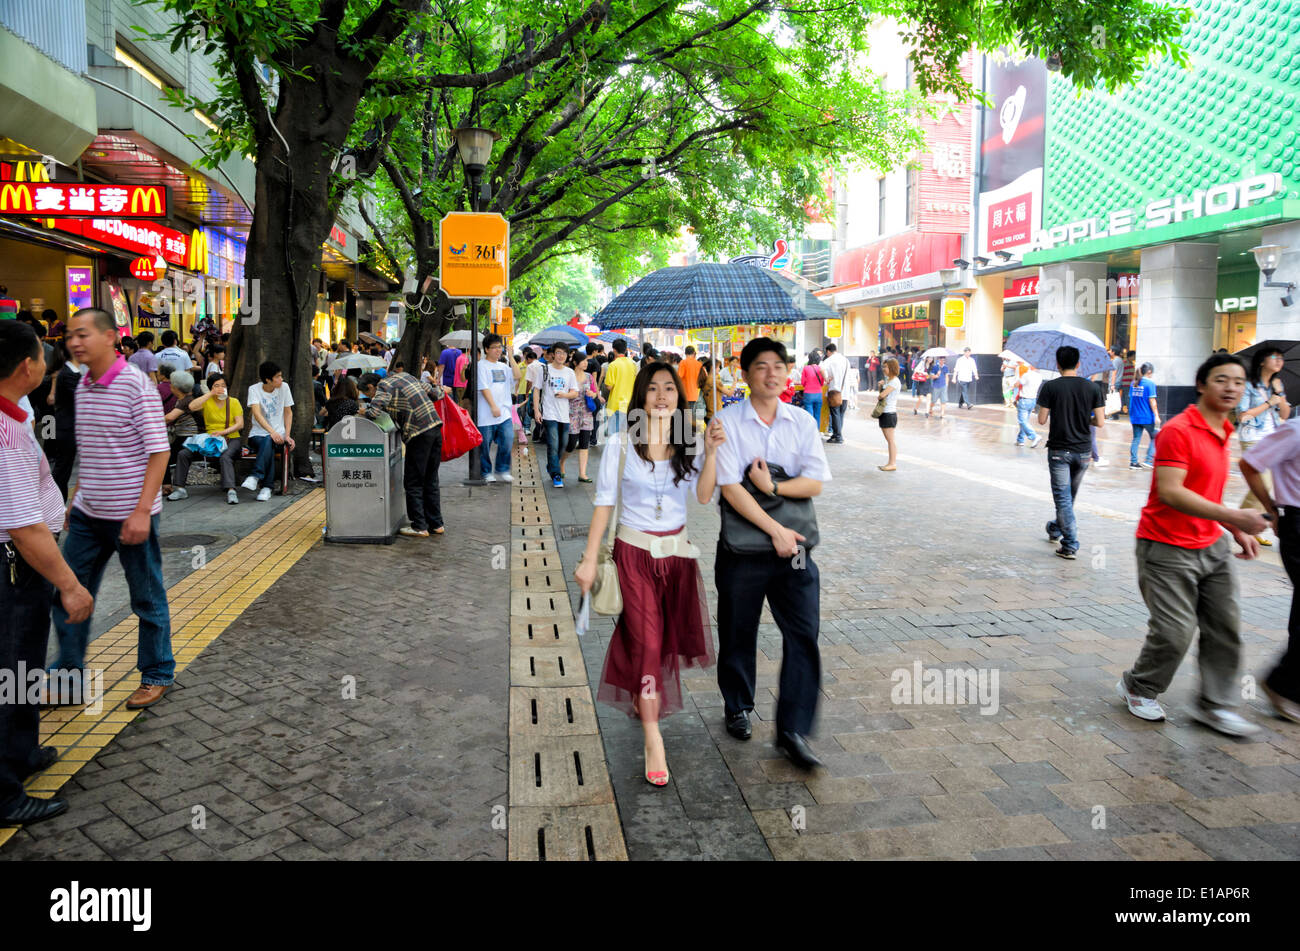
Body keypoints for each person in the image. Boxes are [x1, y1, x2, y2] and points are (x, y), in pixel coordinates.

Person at [574, 362, 718, 786]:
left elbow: (705, 496)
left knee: (662, 644)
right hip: (633, 556)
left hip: (677, 557)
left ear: (679, 396)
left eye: (669, 389)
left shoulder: (688, 441)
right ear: (640, 396)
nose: (661, 396)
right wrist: (587, 559)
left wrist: (713, 452)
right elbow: (603, 503)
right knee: (649, 641)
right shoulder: (620, 443)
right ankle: (653, 737)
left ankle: (644, 695)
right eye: (652, 389)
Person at [1117, 353, 1268, 737]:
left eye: (1237, 381)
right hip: (1165, 546)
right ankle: (1139, 685)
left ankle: (1216, 706)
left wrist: (1233, 529)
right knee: (1175, 630)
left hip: (1211, 545)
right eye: (1221, 379)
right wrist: (1236, 518)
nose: (1231, 387)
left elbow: (1206, 491)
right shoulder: (1179, 430)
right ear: (1202, 385)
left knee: (1225, 626)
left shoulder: (1225, 430)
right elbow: (1170, 492)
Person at [712, 337, 831, 771]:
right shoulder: (726, 421)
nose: (772, 373)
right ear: (744, 375)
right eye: (761, 366)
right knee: (738, 629)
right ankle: (738, 705)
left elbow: (814, 482)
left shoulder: (800, 421)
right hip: (743, 549)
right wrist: (776, 527)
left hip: (795, 552)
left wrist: (772, 488)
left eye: (778, 365)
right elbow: (728, 488)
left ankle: (792, 729)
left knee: (803, 633)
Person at [49, 308, 175, 711]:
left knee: (146, 596)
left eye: (82, 334)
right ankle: (68, 676)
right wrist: (75, 496)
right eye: (70, 335)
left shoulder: (136, 386)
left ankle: (157, 672)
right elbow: (91, 448)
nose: (74, 342)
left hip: (130, 515)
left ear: (108, 337)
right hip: (88, 514)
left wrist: (141, 512)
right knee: (67, 591)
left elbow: (159, 451)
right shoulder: (83, 384)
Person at [0, 320, 94, 826]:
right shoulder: (4, 430)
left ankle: (21, 753)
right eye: (43, 354)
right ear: (25, 367)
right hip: (14, 566)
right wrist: (70, 584)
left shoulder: (16, 412)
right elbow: (23, 527)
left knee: (24, 664)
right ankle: (3, 792)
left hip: (21, 565)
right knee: (8, 668)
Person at [1240, 411, 1300, 723]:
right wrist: (1271, 508)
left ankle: (1289, 685)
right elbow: (1249, 463)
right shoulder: (1294, 430)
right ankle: (1280, 683)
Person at [1035, 346, 1105, 559]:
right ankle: (1055, 528)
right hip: (1083, 452)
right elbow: (1100, 422)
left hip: (1059, 451)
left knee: (1063, 498)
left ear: (1057, 364)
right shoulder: (1092, 388)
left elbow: (1041, 419)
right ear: (1078, 364)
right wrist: (1085, 419)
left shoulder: (1050, 387)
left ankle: (1070, 544)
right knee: (1068, 497)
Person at [360, 368, 446, 537]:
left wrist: (364, 411)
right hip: (435, 428)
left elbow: (374, 412)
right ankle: (436, 524)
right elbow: (436, 394)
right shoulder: (407, 376)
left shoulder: (383, 386)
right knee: (430, 479)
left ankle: (419, 526)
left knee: (413, 482)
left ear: (371, 387)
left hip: (418, 433)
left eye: (367, 394)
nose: (370, 397)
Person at [1237, 347, 1290, 546]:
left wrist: (1280, 394)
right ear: (1261, 361)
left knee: (1269, 482)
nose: (1279, 361)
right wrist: (1269, 402)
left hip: (1272, 438)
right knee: (1264, 482)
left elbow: (1284, 415)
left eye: (1282, 358)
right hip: (1252, 437)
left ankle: (1248, 522)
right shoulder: (1248, 385)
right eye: (1275, 357)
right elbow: (1243, 416)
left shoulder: (1277, 385)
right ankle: (1243, 521)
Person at [172, 373, 245, 503]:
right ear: (211, 388)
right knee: (184, 453)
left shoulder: (233, 402)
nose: (221, 388)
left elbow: (240, 424)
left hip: (231, 438)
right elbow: (192, 406)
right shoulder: (207, 401)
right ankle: (180, 489)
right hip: (209, 440)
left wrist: (223, 432)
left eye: (223, 385)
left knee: (225, 456)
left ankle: (231, 490)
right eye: (217, 385)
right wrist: (211, 394)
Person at [241, 361, 295, 501]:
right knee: (267, 441)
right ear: (267, 379)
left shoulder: (284, 388)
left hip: (279, 437)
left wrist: (287, 435)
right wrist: (272, 432)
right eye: (277, 377)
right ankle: (266, 487)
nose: (281, 379)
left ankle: (255, 476)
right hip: (257, 435)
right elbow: (257, 414)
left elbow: (288, 413)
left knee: (269, 441)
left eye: (281, 376)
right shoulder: (254, 389)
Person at [534, 342, 579, 488]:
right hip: (549, 413)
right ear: (553, 354)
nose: (561, 356)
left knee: (563, 444)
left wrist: (565, 394)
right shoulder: (545, 369)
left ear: (567, 356)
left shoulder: (569, 372)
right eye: (558, 352)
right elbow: (536, 390)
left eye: (564, 353)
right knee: (553, 444)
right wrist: (536, 410)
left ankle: (551, 466)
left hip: (564, 414)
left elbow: (575, 392)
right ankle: (556, 474)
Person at [475, 333, 515, 483]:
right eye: (494, 347)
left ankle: (502, 469)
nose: (498, 350)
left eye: (500, 347)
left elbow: (517, 375)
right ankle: (486, 472)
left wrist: (511, 357)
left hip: (504, 412)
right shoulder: (480, 366)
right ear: (486, 349)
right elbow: (484, 387)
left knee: (508, 439)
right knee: (485, 444)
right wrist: (493, 406)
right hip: (486, 413)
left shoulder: (503, 366)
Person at [46, 340, 83, 499]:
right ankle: (54, 500)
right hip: (66, 428)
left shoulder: (71, 372)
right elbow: (81, 397)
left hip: (66, 425)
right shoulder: (68, 374)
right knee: (63, 468)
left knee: (64, 467)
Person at [560, 349, 599, 483]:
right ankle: (561, 463)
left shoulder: (589, 376)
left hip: (586, 413)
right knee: (571, 443)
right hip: (572, 413)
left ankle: (582, 473)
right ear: (575, 362)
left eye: (586, 361)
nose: (586, 364)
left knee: (584, 443)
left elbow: (595, 393)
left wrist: (592, 394)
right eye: (583, 361)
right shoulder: (568, 375)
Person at [161, 371, 199, 496]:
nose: (170, 386)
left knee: (163, 455)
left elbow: (170, 417)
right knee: (164, 454)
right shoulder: (183, 399)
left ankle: (167, 486)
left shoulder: (186, 401)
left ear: (176, 388)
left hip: (188, 438)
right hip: (182, 436)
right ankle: (167, 485)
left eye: (171, 384)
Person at [1128, 362, 1160, 470]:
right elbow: (1152, 401)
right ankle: (1149, 460)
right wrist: (1156, 415)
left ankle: (1133, 462)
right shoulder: (1150, 383)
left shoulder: (1134, 383)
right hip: (1146, 417)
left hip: (1135, 416)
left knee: (1136, 439)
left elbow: (1131, 400)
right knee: (1155, 437)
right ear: (1149, 372)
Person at [602, 338, 637, 435]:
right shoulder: (633, 364)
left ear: (614, 350)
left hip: (616, 404)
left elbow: (609, 386)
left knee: (613, 434)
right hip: (629, 403)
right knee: (623, 434)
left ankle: (614, 450)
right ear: (625, 350)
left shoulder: (613, 365)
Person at [877, 357, 901, 472]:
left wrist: (882, 391)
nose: (883, 369)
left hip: (889, 413)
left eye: (885, 367)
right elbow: (881, 394)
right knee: (889, 439)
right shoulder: (888, 380)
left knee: (891, 440)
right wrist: (880, 386)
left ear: (892, 367)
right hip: (884, 412)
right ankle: (891, 462)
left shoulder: (895, 381)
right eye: (883, 366)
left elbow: (882, 396)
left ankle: (892, 463)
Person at [1014, 363, 1043, 447]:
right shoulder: (1040, 376)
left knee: (1022, 421)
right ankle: (1020, 440)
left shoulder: (1027, 375)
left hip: (1024, 400)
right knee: (1025, 421)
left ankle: (1034, 436)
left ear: (1031, 366)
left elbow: (1016, 384)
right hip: (1033, 400)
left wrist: (1018, 379)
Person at [801, 350, 825, 427]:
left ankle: (810, 434)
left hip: (808, 394)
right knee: (817, 415)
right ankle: (816, 433)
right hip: (818, 394)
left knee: (809, 416)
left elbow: (803, 382)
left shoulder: (806, 368)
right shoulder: (820, 368)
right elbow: (822, 383)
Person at [679, 345, 703, 423]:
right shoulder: (699, 364)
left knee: (686, 414)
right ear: (693, 353)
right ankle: (693, 430)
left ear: (685, 353)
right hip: (697, 393)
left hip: (686, 393)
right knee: (695, 414)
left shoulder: (683, 362)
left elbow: (679, 376)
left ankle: (688, 431)